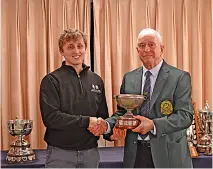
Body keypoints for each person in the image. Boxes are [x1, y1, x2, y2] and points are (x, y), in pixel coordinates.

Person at [89, 28, 193, 168]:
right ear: (137, 51)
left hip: (168, 156)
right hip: (136, 154)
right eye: (142, 46)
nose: (146, 49)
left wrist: (153, 125)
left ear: (161, 49)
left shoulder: (179, 77)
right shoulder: (129, 78)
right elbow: (123, 113)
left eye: (151, 44)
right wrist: (107, 125)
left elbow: (185, 116)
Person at [39, 28, 109, 168]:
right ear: (62, 51)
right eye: (70, 47)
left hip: (91, 154)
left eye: (80, 46)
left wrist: (108, 130)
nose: (76, 51)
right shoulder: (51, 80)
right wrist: (87, 121)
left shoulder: (96, 80)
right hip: (60, 154)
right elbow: (51, 118)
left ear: (85, 48)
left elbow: (102, 116)